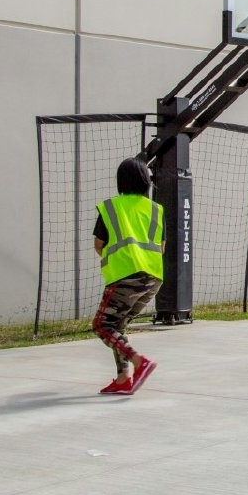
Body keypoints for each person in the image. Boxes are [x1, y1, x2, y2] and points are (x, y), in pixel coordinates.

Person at [91, 157, 164, 396]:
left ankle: (138, 361)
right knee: (117, 325)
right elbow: (160, 247)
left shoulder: (111, 207)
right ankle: (123, 378)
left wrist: (119, 260)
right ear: (146, 181)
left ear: (120, 181)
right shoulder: (155, 209)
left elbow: (99, 245)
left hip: (125, 275)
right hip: (153, 277)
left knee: (102, 325)